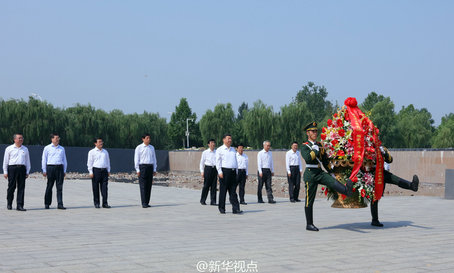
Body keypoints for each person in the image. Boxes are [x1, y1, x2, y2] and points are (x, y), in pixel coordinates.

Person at [301, 122, 353, 231]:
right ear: (307, 133)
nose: (315, 133)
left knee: (331, 181)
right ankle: (309, 224)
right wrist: (315, 149)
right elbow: (308, 158)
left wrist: (331, 171)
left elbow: (325, 161)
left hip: (319, 172)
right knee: (309, 200)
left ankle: (347, 190)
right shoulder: (305, 146)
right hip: (310, 174)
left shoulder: (319, 145)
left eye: (316, 131)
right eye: (312, 131)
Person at [370, 146, 419, 227]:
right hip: (369, 174)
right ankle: (375, 220)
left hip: (381, 173)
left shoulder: (381, 148)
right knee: (374, 197)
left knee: (394, 179)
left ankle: (412, 186)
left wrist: (384, 153)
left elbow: (390, 160)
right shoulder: (365, 147)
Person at [2, 133, 31, 211]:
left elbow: (27, 161)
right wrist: (5, 171)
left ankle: (20, 205)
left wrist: (27, 171)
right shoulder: (9, 148)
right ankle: (9, 203)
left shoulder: (25, 149)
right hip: (12, 168)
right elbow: (5, 161)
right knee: (11, 187)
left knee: (21, 187)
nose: (21, 139)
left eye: (22, 138)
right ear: (15, 139)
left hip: (22, 168)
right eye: (19, 138)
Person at [216, 134, 242, 214]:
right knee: (223, 191)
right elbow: (218, 162)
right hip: (224, 172)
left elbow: (235, 162)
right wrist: (220, 172)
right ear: (224, 140)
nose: (230, 140)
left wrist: (236, 172)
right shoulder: (220, 150)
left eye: (230, 138)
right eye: (228, 139)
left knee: (233, 191)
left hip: (233, 172)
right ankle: (222, 208)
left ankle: (236, 208)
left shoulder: (233, 150)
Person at [42, 133, 68, 210]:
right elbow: (44, 159)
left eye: (58, 138)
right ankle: (47, 203)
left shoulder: (62, 148)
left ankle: (60, 204)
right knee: (49, 186)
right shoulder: (47, 148)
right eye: (56, 138)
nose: (57, 140)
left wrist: (64, 170)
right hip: (50, 167)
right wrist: (44, 170)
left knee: (59, 187)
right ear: (52, 139)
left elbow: (64, 160)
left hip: (59, 168)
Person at [134, 133, 157, 208]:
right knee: (143, 185)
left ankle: (147, 202)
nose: (149, 139)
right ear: (143, 139)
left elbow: (154, 159)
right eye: (147, 138)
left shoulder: (152, 147)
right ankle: (143, 202)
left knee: (149, 185)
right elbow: (136, 159)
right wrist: (137, 169)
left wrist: (154, 169)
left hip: (150, 167)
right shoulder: (139, 147)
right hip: (143, 167)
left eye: (149, 138)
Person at [87, 137, 111, 208]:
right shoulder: (92, 152)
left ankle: (105, 203)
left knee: (104, 188)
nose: (101, 143)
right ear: (95, 143)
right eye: (99, 142)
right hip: (96, 171)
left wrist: (108, 170)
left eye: (101, 142)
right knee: (95, 187)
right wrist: (90, 172)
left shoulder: (105, 152)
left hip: (104, 171)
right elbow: (89, 163)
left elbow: (108, 161)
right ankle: (96, 203)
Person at [199, 139, 217, 206]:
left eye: (214, 143)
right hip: (208, 169)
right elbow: (201, 163)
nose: (213, 144)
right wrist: (202, 171)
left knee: (214, 186)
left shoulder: (217, 152)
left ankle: (213, 201)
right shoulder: (205, 152)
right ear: (208, 144)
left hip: (215, 169)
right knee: (206, 185)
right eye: (211, 143)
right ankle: (203, 200)